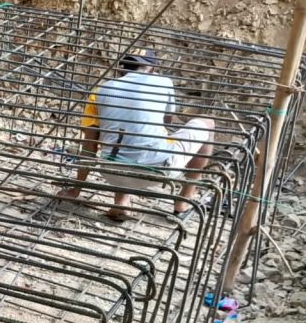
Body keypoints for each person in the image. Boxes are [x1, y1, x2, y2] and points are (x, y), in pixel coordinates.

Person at [57, 48, 215, 221]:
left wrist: (76, 190)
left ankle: (121, 203)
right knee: (208, 123)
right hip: (155, 172)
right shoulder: (163, 82)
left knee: (121, 138)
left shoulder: (102, 89)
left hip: (110, 173)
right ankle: (182, 203)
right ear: (152, 69)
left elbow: (89, 145)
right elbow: (167, 122)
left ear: (122, 69)